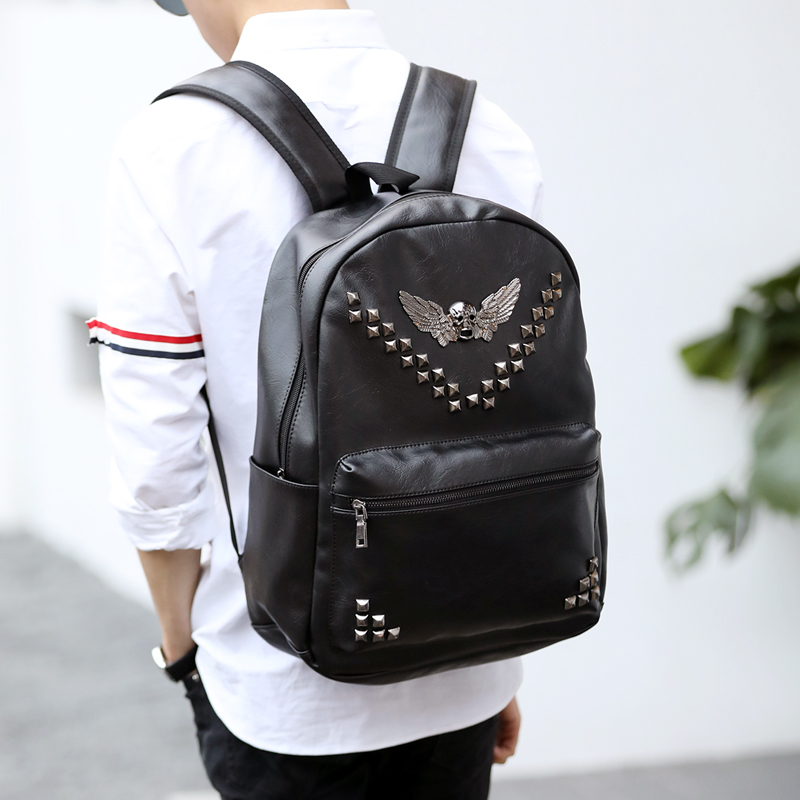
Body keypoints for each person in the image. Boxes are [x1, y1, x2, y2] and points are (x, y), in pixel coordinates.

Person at [91, 1, 543, 797]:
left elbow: (155, 460)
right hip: (466, 660)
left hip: (280, 680)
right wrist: (487, 660)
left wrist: (183, 647)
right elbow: (508, 411)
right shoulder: (483, 125)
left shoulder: (172, 147)